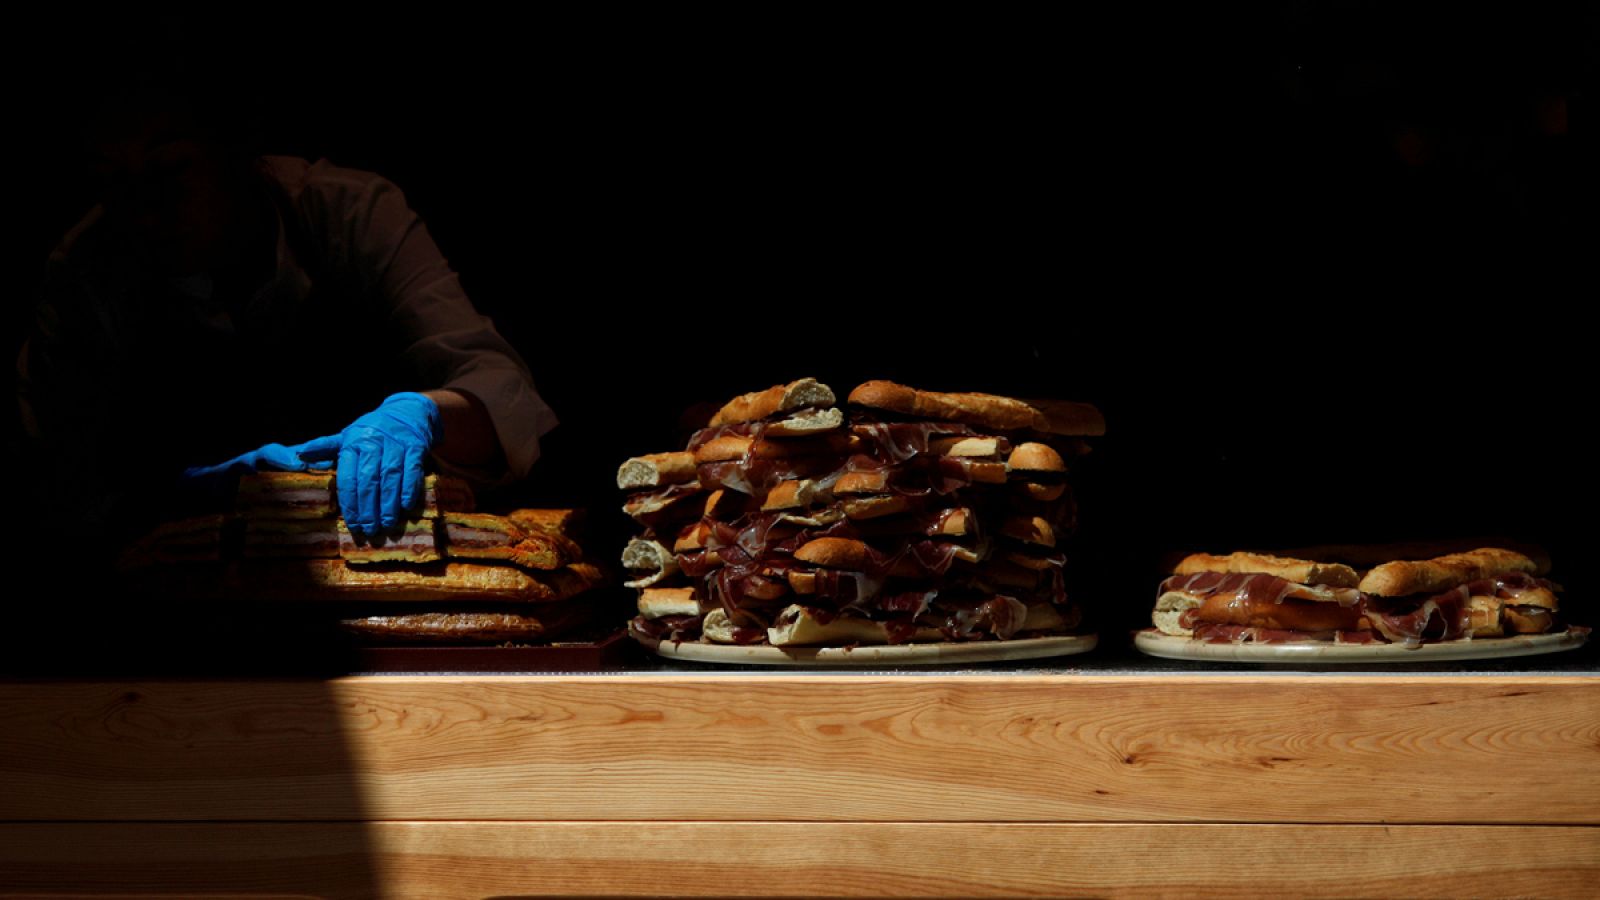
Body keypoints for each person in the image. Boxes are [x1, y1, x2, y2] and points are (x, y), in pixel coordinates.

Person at [17, 85, 556, 553]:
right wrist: (175, 493)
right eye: (112, 180)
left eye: (171, 168)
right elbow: (56, 485)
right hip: (182, 599)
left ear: (238, 150)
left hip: (388, 545)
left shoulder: (350, 214)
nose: (143, 206)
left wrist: (422, 413)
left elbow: (504, 394)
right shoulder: (83, 274)